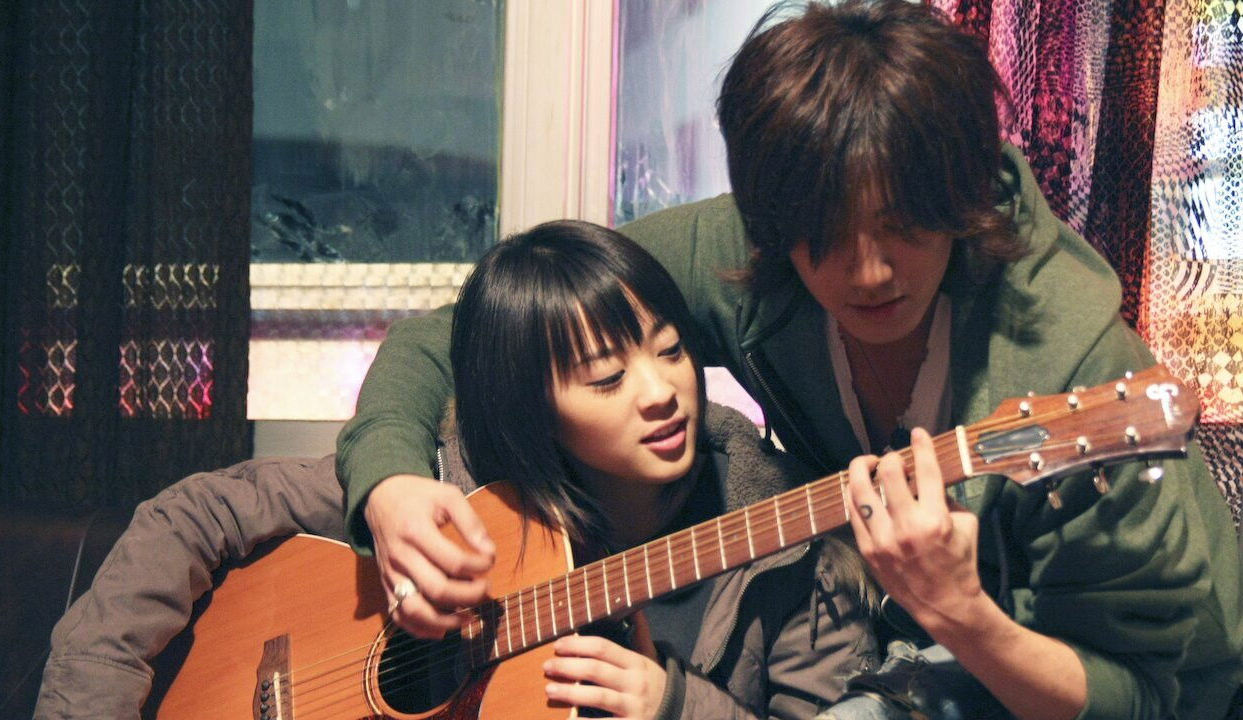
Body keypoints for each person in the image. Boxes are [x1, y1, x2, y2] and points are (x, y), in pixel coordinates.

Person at [336, 1, 1243, 718]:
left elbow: (1146, 695)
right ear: (771, 223)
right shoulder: (750, 248)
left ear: (961, 197)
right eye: (826, 237)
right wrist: (389, 485)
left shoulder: (1075, 364)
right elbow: (466, 331)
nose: (870, 271)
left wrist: (962, 614)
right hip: (891, 642)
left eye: (905, 225)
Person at [35, 221, 876, 720]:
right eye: (606, 379)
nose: (661, 393)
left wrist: (677, 707)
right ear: (532, 407)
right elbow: (190, 517)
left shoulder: (791, 550)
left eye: (672, 351)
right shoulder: (454, 482)